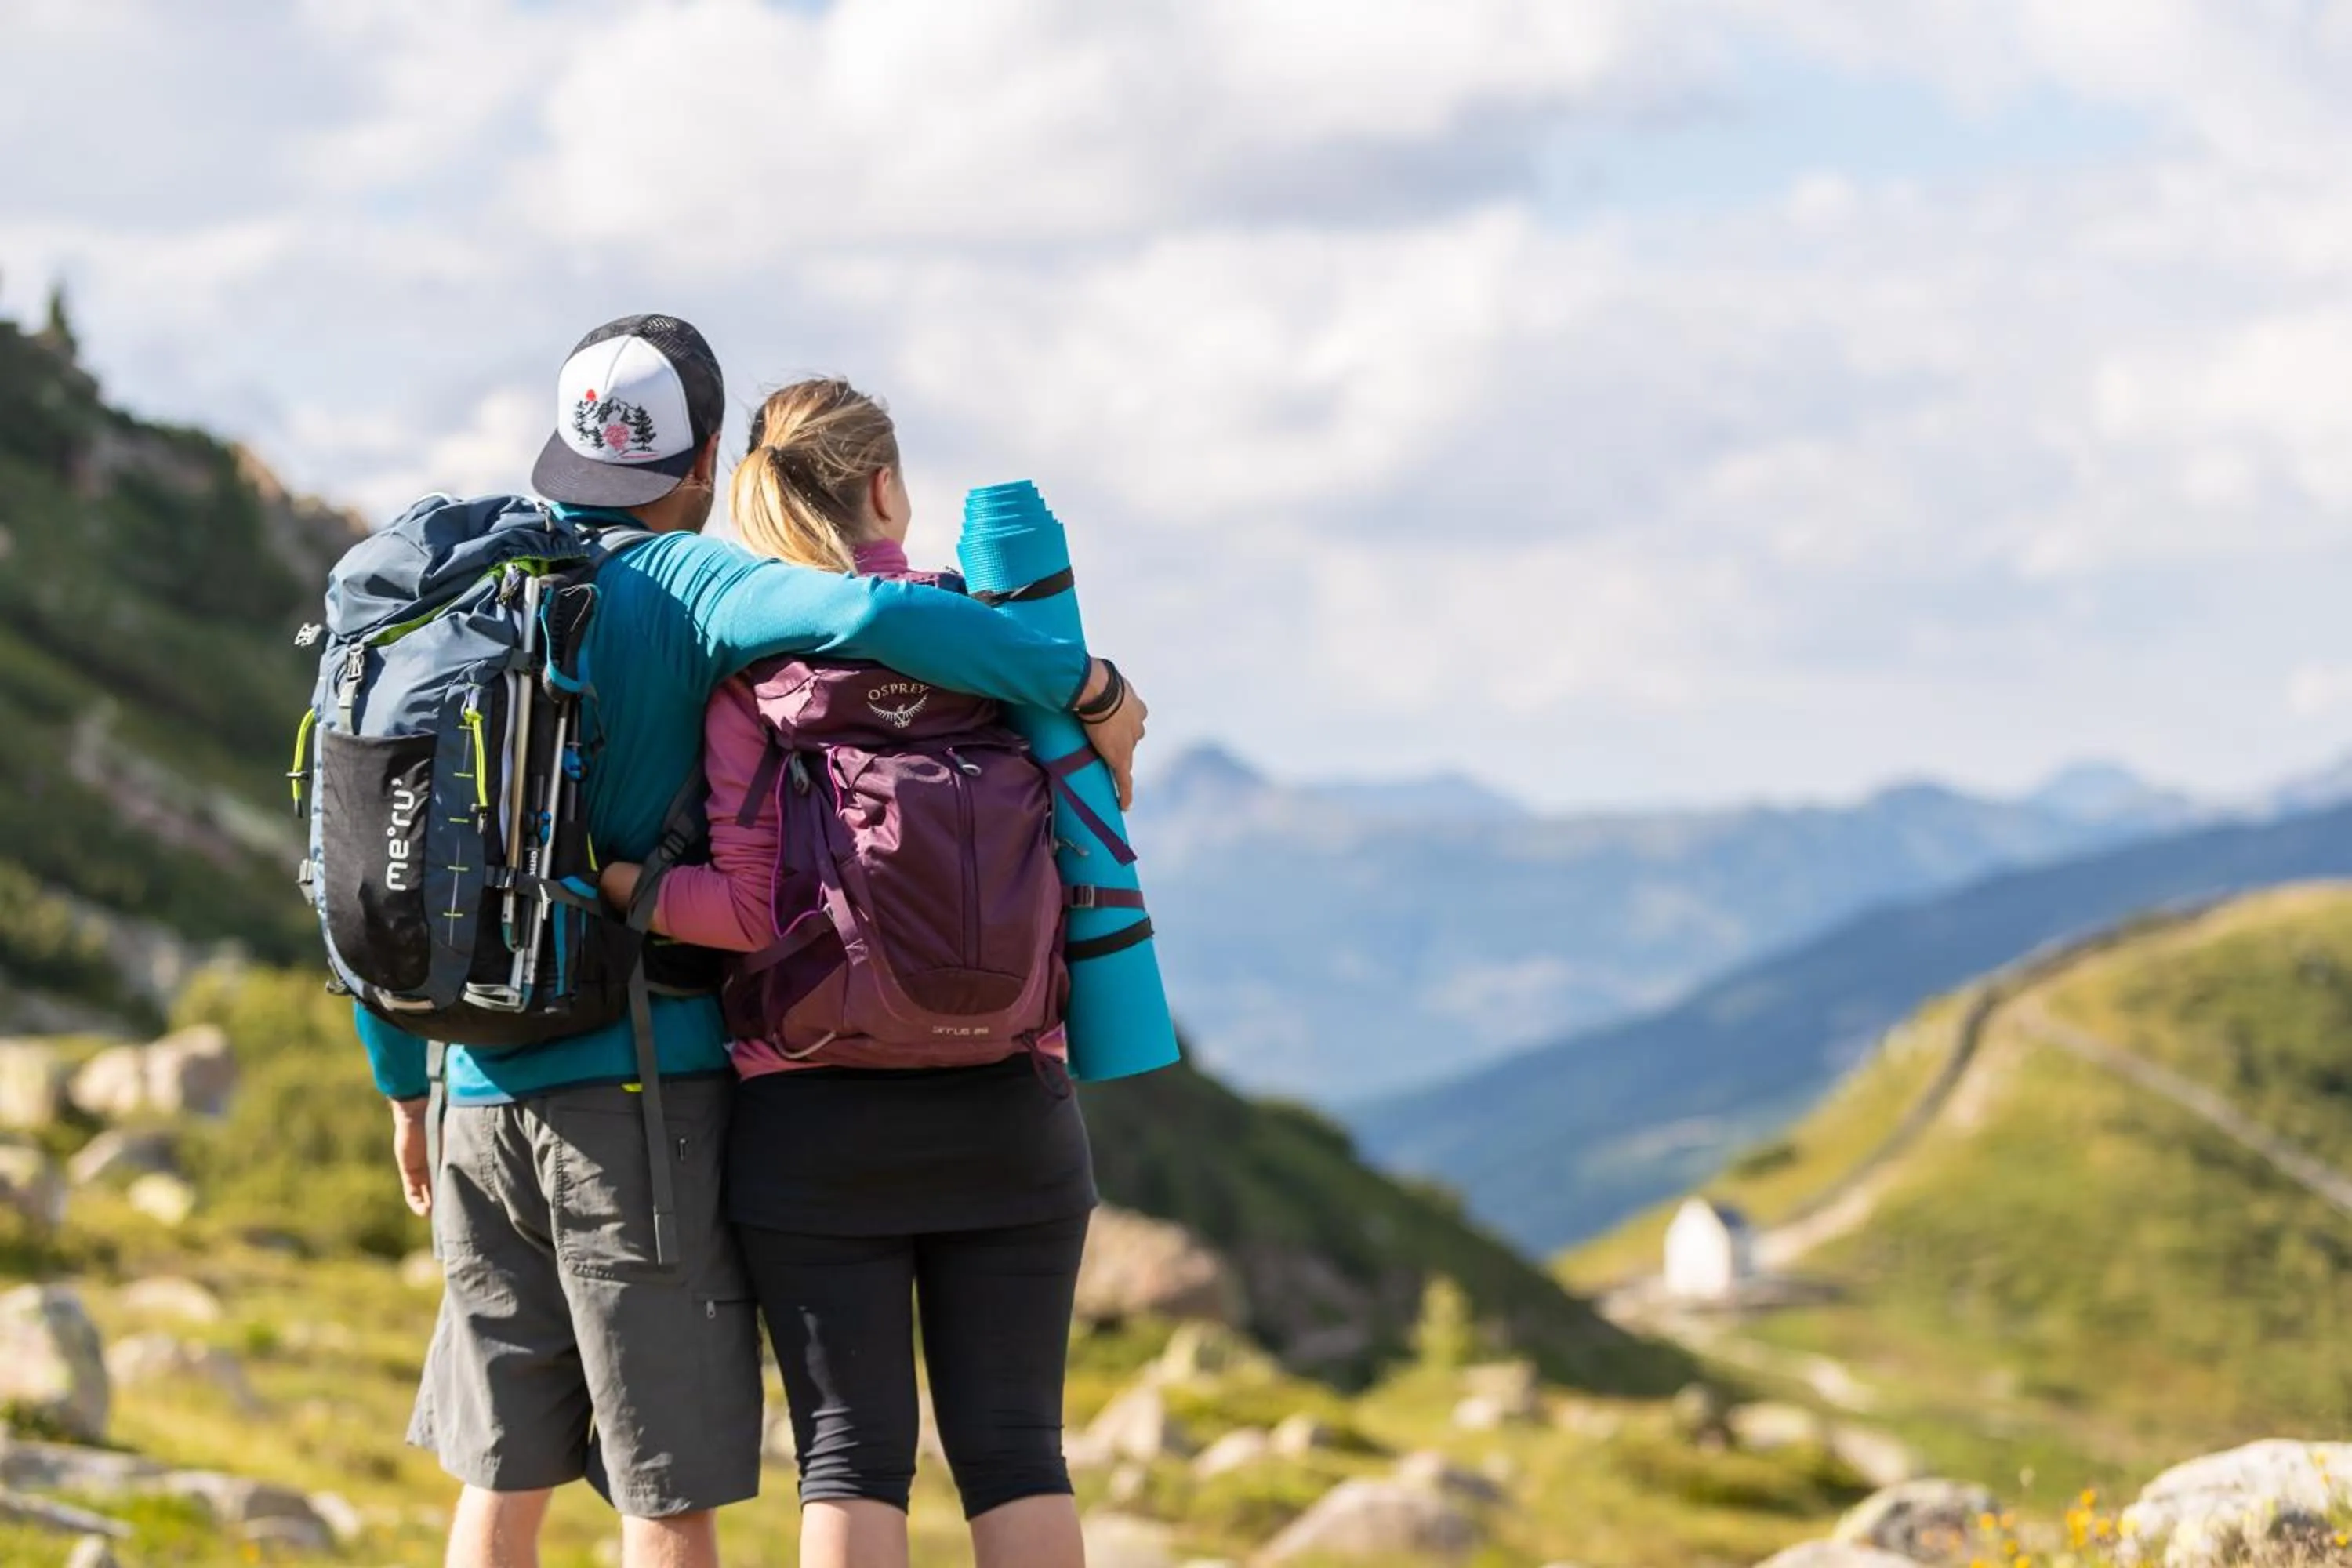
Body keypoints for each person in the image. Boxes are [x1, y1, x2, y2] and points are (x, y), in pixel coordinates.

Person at [363, 321, 1145, 1568]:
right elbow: (876, 617)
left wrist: (405, 1081)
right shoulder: (696, 585)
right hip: (636, 1092)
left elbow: (389, 850)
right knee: (665, 1490)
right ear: (708, 456)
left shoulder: (464, 589)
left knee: (500, 1477)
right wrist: (1085, 686)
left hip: (469, 1089)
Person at [600, 379, 1101, 1568]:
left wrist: (628, 890)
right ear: (885, 487)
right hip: (1012, 1108)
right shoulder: (1006, 645)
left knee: (851, 1452)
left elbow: (749, 908)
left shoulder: (752, 672)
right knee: (1020, 1448)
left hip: (814, 1120)